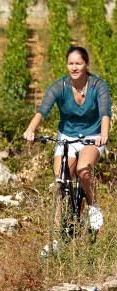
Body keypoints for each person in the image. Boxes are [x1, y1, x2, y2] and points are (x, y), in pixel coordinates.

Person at [23, 45, 111, 233]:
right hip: (67, 137)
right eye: (70, 63)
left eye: (78, 63)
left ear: (86, 64)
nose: (74, 67)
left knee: (83, 171)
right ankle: (54, 238)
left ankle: (94, 207)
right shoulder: (59, 86)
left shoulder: (98, 86)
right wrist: (30, 130)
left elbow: (105, 113)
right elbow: (42, 112)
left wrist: (104, 135)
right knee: (60, 182)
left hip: (92, 136)